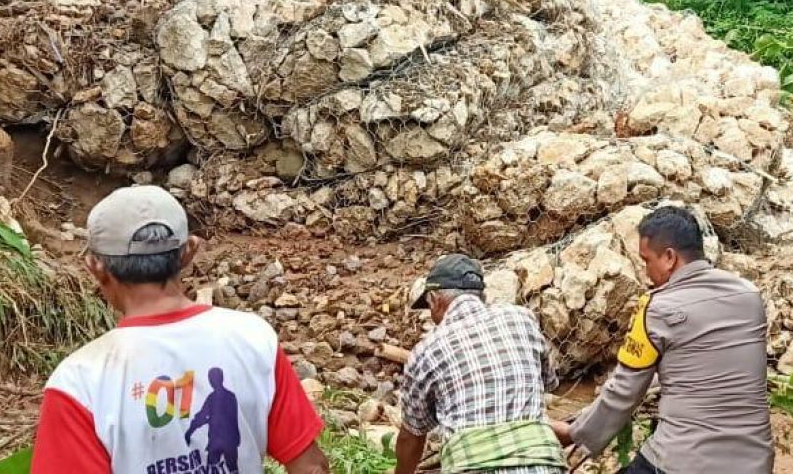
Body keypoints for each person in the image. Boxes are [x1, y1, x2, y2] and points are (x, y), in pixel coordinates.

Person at [32, 186, 327, 474]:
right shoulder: (253, 339)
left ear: (95, 266)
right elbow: (311, 466)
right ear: (189, 252)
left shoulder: (79, 381)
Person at [551, 205, 773, 474]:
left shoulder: (657, 308)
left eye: (646, 261)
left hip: (684, 462)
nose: (646, 273)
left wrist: (575, 433)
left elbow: (624, 392)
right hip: (755, 462)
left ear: (669, 257)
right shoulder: (749, 295)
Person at [394, 254, 565, 474]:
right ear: (480, 294)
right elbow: (548, 384)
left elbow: (412, 436)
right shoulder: (524, 319)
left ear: (435, 299)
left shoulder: (427, 350)